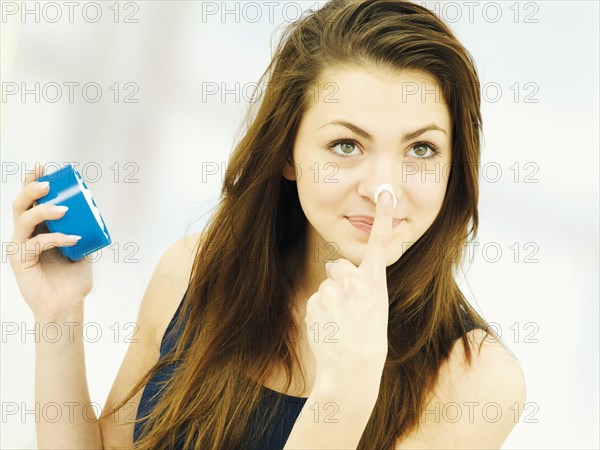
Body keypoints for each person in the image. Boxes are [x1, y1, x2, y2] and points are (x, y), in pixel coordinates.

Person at [7, 0, 526, 448]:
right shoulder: (191, 272)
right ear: (288, 153)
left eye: (421, 149)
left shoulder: (475, 382)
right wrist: (58, 316)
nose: (382, 188)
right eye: (346, 145)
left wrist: (345, 389)